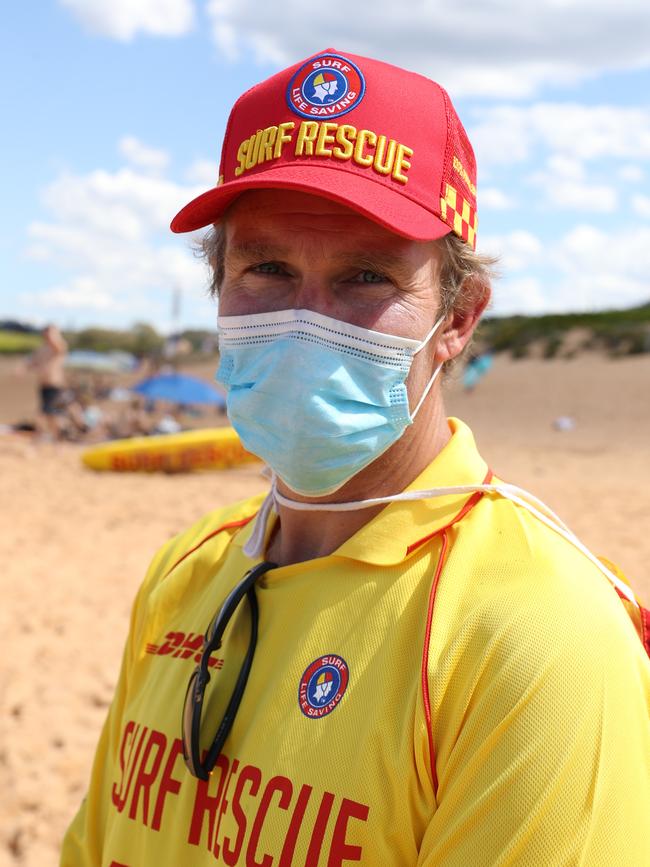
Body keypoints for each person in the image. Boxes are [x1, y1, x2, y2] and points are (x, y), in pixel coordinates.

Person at [61, 49, 650, 866]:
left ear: (458, 318)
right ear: (218, 287)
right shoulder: (185, 572)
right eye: (265, 267)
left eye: (366, 277)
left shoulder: (535, 637)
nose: (306, 321)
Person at [26, 323, 68, 438]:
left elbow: (57, 346)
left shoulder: (59, 345)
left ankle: (46, 437)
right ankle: (52, 437)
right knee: (49, 413)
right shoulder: (41, 349)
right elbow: (32, 362)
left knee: (47, 413)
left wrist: (54, 333)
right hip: (43, 384)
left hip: (54, 385)